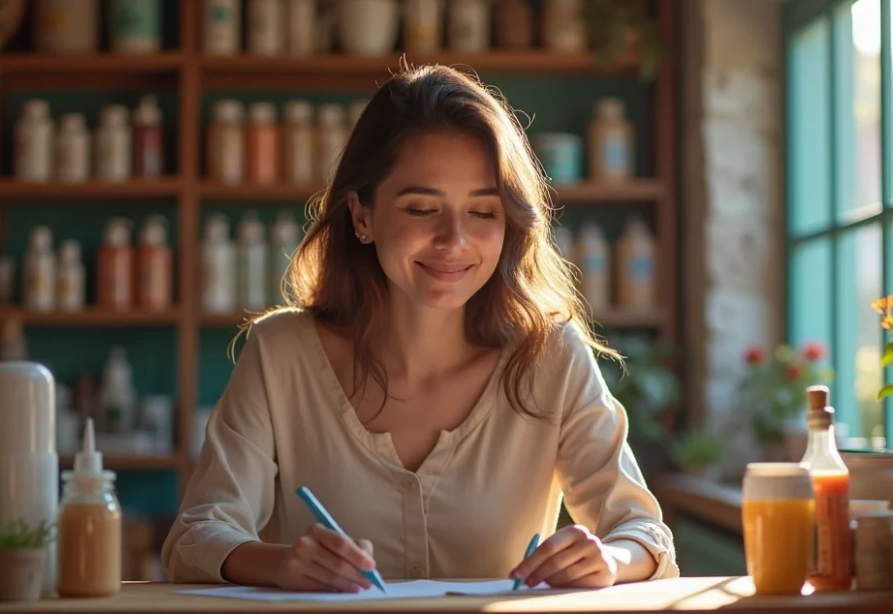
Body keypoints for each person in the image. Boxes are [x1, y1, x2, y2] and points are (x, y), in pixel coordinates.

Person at [161, 64, 678, 592]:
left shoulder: (552, 356)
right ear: (362, 215)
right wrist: (279, 564)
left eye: (482, 213)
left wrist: (609, 560)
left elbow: (643, 534)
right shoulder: (280, 354)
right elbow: (195, 537)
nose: (454, 240)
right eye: (423, 208)